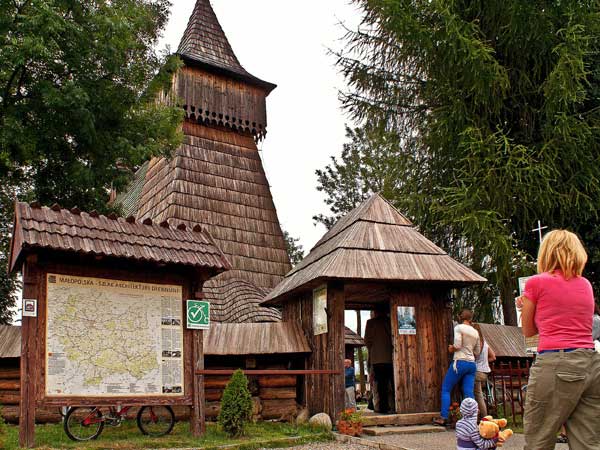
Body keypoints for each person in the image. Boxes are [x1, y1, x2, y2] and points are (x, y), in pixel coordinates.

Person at [516, 229, 600, 450]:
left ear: (547, 252)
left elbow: (528, 330)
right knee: (587, 442)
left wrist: (526, 306)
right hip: (591, 364)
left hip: (557, 363)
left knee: (539, 438)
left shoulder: (536, 283)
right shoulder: (585, 284)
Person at [433, 308, 481, 426]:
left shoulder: (459, 328)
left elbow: (458, 345)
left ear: (460, 317)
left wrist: (451, 348)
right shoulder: (476, 332)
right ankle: (472, 418)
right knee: (468, 392)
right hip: (471, 364)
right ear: (470, 318)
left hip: (460, 362)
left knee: (446, 388)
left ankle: (444, 417)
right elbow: (477, 351)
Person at [364, 305, 394, 413]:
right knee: (393, 383)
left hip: (377, 358)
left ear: (375, 312)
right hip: (392, 357)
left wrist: (373, 349)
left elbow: (367, 340)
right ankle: (395, 406)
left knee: (381, 384)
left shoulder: (370, 323)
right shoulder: (391, 321)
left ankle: (383, 407)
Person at [472, 323, 496, 418]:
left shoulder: (475, 343)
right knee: (479, 394)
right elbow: (493, 357)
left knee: (478, 395)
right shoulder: (485, 343)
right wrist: (485, 362)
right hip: (485, 372)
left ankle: (483, 417)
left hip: (477, 371)